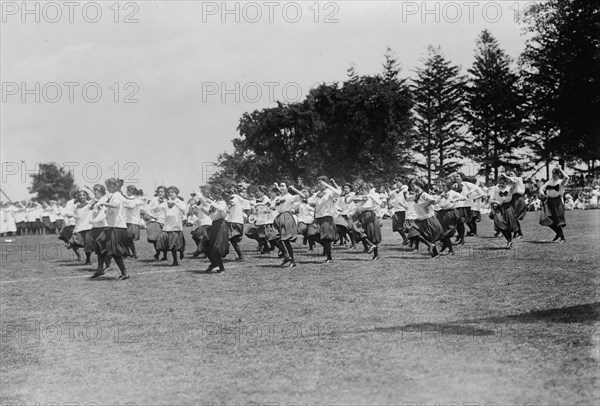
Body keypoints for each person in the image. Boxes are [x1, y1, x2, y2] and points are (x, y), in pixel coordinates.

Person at [92, 178, 130, 280]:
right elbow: (113, 209)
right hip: (113, 226)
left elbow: (115, 205)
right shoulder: (114, 195)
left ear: (113, 186)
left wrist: (102, 203)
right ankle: (100, 268)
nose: (107, 189)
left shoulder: (117, 195)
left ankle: (124, 273)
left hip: (117, 227)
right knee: (100, 243)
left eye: (108, 187)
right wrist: (106, 211)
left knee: (115, 251)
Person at [306, 177, 341, 264]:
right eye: (318, 183)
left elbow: (339, 192)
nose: (319, 185)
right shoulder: (317, 193)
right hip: (318, 217)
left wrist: (328, 185)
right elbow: (309, 200)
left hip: (327, 216)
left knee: (325, 237)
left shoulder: (330, 192)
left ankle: (329, 258)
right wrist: (311, 203)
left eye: (320, 183)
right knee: (310, 233)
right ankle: (326, 246)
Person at [409, 179, 444, 258]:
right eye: (411, 186)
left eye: (413, 186)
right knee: (413, 233)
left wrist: (425, 205)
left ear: (419, 185)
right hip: (421, 219)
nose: (412, 188)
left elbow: (432, 200)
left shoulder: (424, 194)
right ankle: (430, 245)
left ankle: (435, 253)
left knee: (429, 237)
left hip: (428, 219)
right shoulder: (416, 195)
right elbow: (407, 199)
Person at [272, 181, 302, 268]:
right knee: (273, 237)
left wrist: (294, 189)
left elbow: (303, 196)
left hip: (287, 216)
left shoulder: (290, 197)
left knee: (286, 240)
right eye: (280, 186)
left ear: (287, 187)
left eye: (283, 186)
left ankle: (292, 260)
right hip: (279, 217)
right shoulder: (278, 197)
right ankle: (286, 255)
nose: (281, 188)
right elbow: (273, 207)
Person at [157, 186, 187, 266]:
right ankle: (175, 261)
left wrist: (175, 203)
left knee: (177, 244)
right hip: (167, 226)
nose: (170, 194)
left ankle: (181, 251)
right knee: (171, 245)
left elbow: (184, 208)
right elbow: (158, 208)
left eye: (172, 192)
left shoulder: (180, 202)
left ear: (176, 193)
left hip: (176, 226)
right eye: (169, 192)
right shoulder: (166, 202)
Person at [540, 167, 569, 243]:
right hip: (549, 201)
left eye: (555, 174)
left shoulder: (560, 182)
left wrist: (561, 170)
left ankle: (562, 238)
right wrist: (543, 195)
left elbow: (566, 177)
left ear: (558, 174)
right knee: (547, 219)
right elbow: (541, 189)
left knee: (557, 220)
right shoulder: (549, 182)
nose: (554, 175)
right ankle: (558, 233)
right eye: (553, 174)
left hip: (557, 201)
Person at [489, 174, 519, 249]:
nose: (501, 184)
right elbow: (491, 200)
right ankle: (509, 240)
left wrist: (507, 176)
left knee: (508, 226)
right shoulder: (496, 190)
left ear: (506, 182)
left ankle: (510, 241)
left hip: (507, 207)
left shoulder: (510, 189)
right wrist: (495, 202)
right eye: (500, 183)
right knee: (500, 225)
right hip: (499, 208)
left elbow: (515, 183)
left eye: (503, 183)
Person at [146, 186, 168, 261]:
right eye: (159, 192)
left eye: (162, 192)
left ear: (165, 193)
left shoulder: (167, 201)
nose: (160, 193)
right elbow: (148, 209)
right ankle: (157, 252)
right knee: (155, 239)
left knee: (164, 239)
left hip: (164, 221)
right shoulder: (154, 200)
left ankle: (165, 255)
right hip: (155, 221)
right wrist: (152, 216)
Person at [124, 185, 145, 258]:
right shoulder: (128, 199)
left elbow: (131, 206)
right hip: (127, 221)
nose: (126, 192)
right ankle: (128, 253)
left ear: (131, 191)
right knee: (126, 239)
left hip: (132, 221)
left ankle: (133, 253)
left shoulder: (135, 200)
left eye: (127, 191)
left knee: (128, 238)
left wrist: (122, 204)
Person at [388, 179, 409, 245]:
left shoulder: (405, 187)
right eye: (395, 182)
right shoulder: (395, 190)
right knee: (397, 226)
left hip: (404, 209)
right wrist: (387, 188)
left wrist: (398, 190)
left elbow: (405, 189)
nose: (396, 183)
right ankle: (405, 239)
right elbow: (390, 194)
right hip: (397, 210)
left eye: (398, 182)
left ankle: (411, 239)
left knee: (406, 227)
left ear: (401, 182)